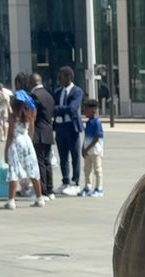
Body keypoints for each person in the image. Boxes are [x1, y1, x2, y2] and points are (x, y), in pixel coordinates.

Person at [3, 91, 47, 210]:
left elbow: (10, 135)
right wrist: (29, 142)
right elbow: (32, 130)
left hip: (16, 142)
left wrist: (6, 151)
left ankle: (11, 201)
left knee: (14, 170)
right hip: (26, 141)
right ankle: (39, 198)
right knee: (32, 169)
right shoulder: (30, 114)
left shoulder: (13, 116)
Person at [53, 65, 84, 195]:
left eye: (61, 77)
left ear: (69, 77)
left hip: (71, 127)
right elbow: (53, 107)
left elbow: (72, 108)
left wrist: (58, 109)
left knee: (75, 155)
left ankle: (75, 182)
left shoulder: (77, 91)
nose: (59, 79)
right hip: (60, 126)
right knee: (63, 156)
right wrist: (58, 109)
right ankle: (65, 181)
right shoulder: (57, 92)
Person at [29, 73, 56, 200]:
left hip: (38, 131)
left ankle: (43, 191)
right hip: (48, 131)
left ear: (32, 82)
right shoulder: (48, 95)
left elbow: (33, 114)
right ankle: (50, 190)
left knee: (39, 162)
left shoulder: (34, 95)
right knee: (47, 161)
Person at [79, 99, 104, 197]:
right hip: (87, 151)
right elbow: (86, 137)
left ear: (94, 110)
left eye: (86, 110)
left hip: (95, 150)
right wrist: (83, 148)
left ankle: (99, 188)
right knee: (87, 169)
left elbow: (97, 137)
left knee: (97, 169)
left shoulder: (97, 122)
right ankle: (87, 187)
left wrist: (87, 148)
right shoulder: (88, 122)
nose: (84, 112)